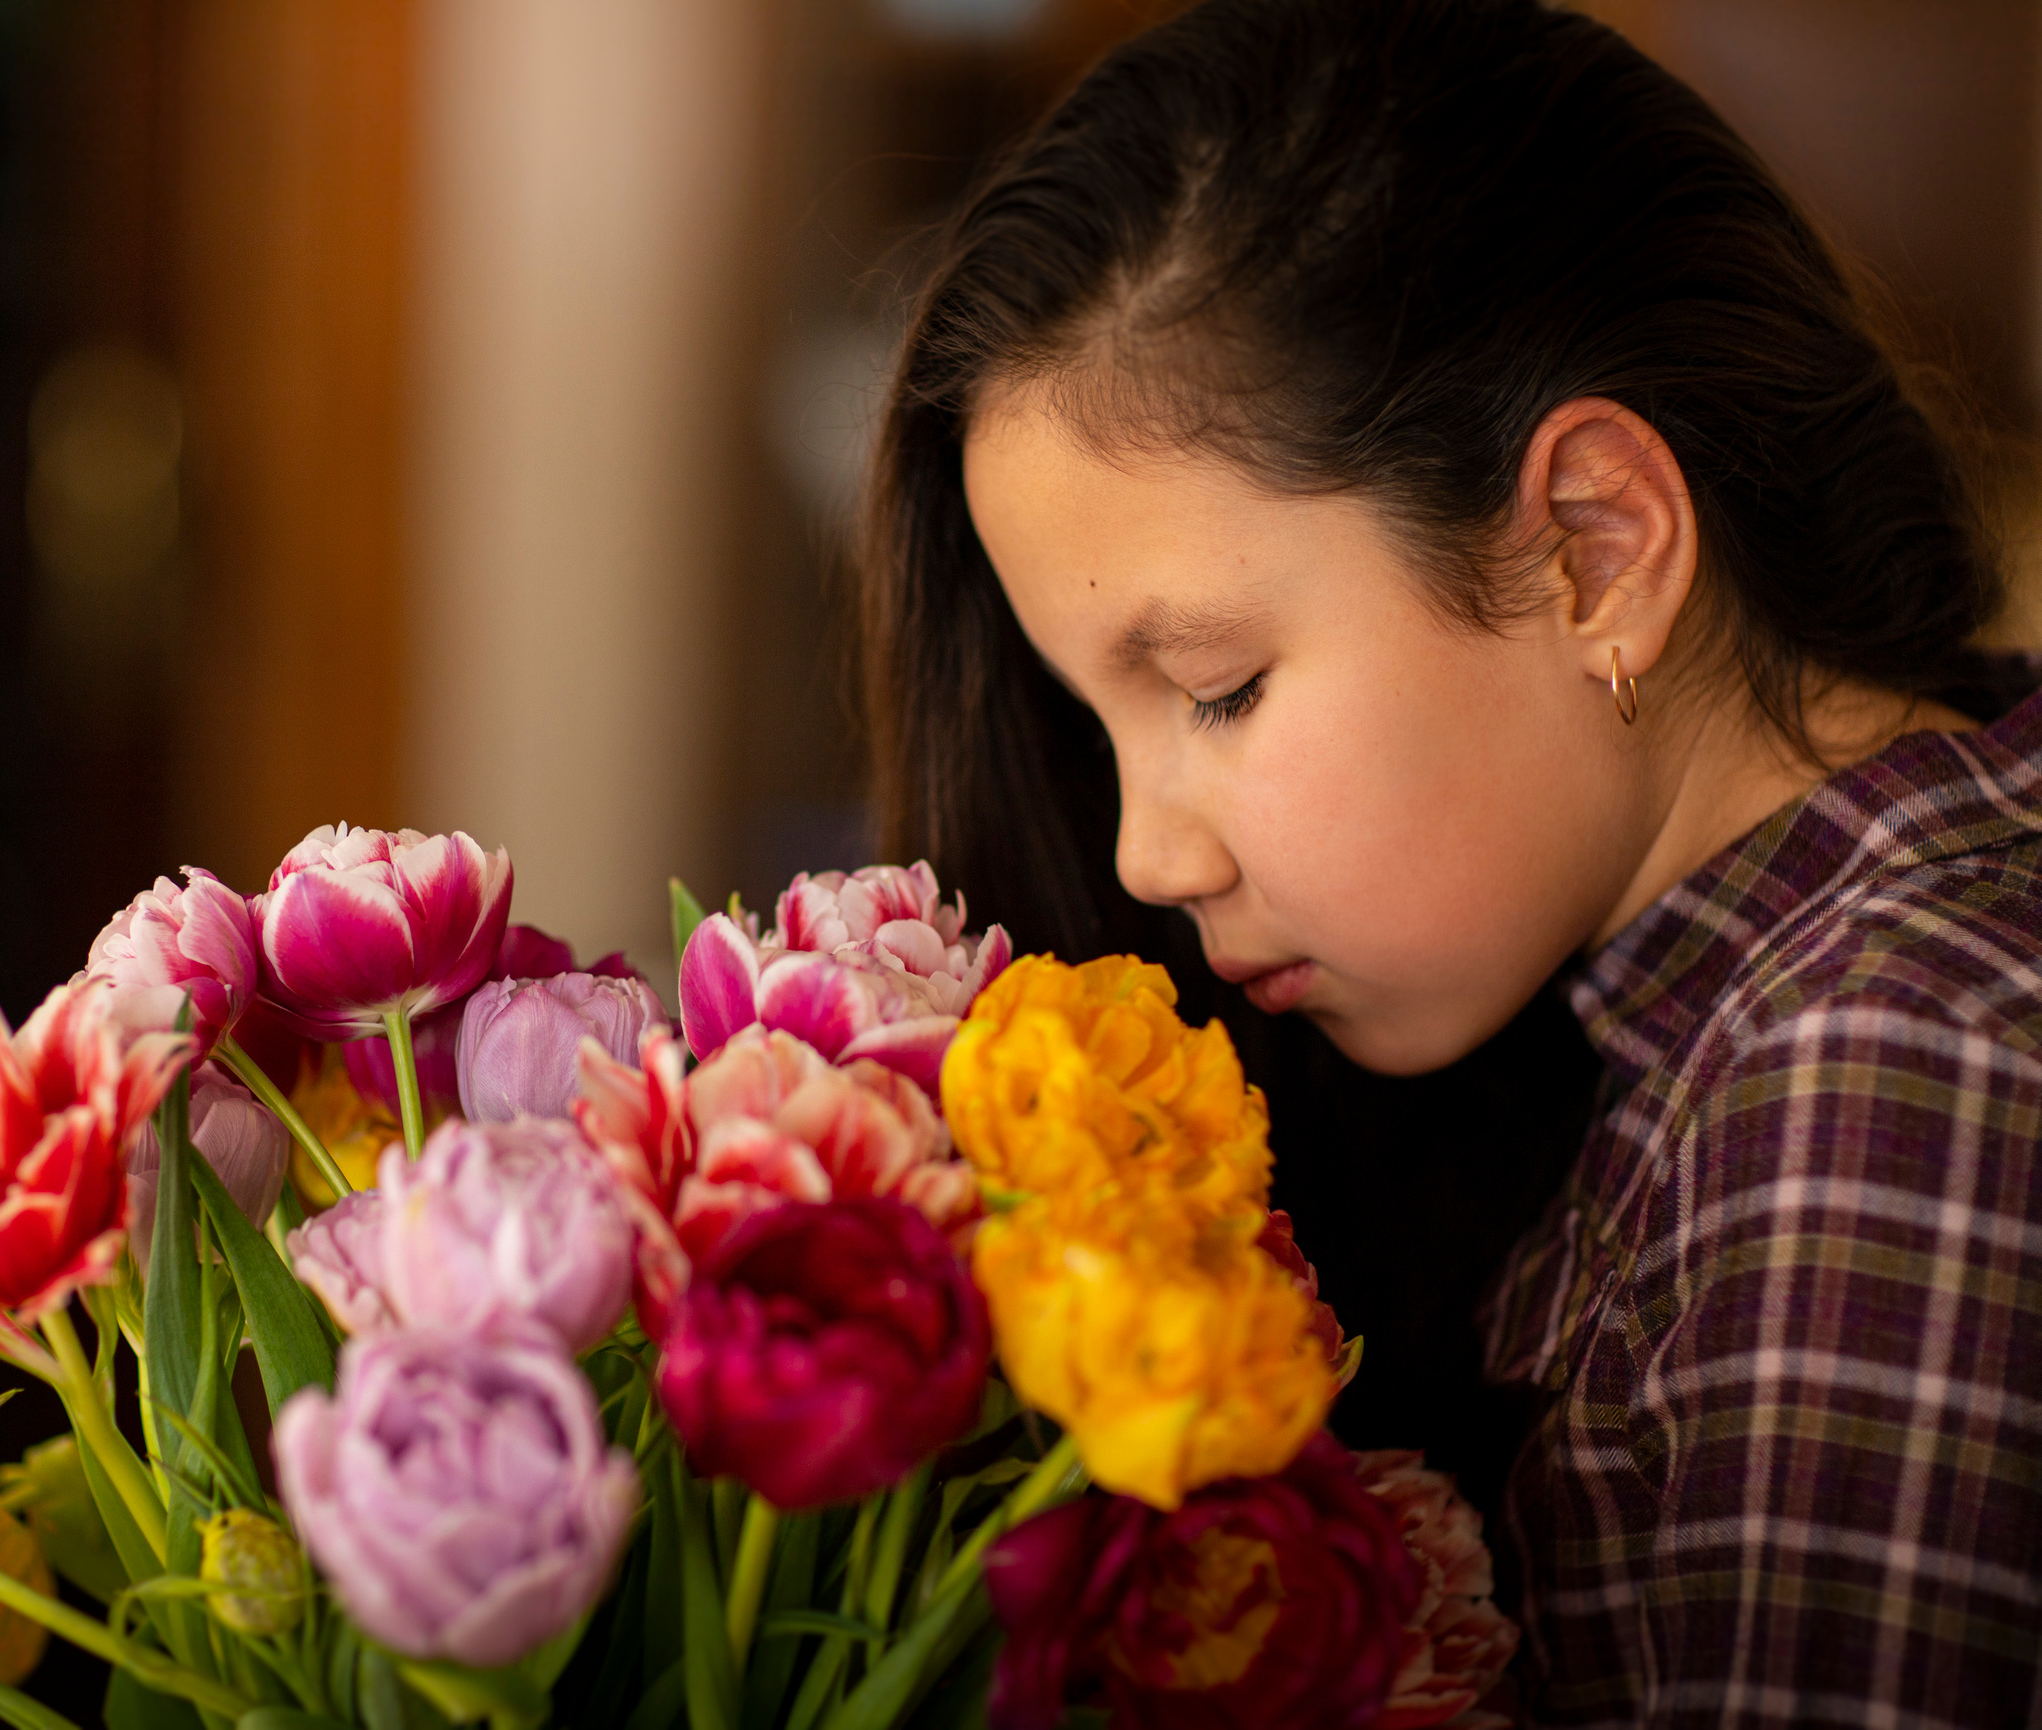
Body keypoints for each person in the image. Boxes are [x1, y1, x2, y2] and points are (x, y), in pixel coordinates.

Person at [856, 0, 2042, 1723]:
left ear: (1596, 546)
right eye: (1095, 724)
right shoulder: (1764, 1020)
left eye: (1217, 688)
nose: (1143, 852)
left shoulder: (1888, 1075)